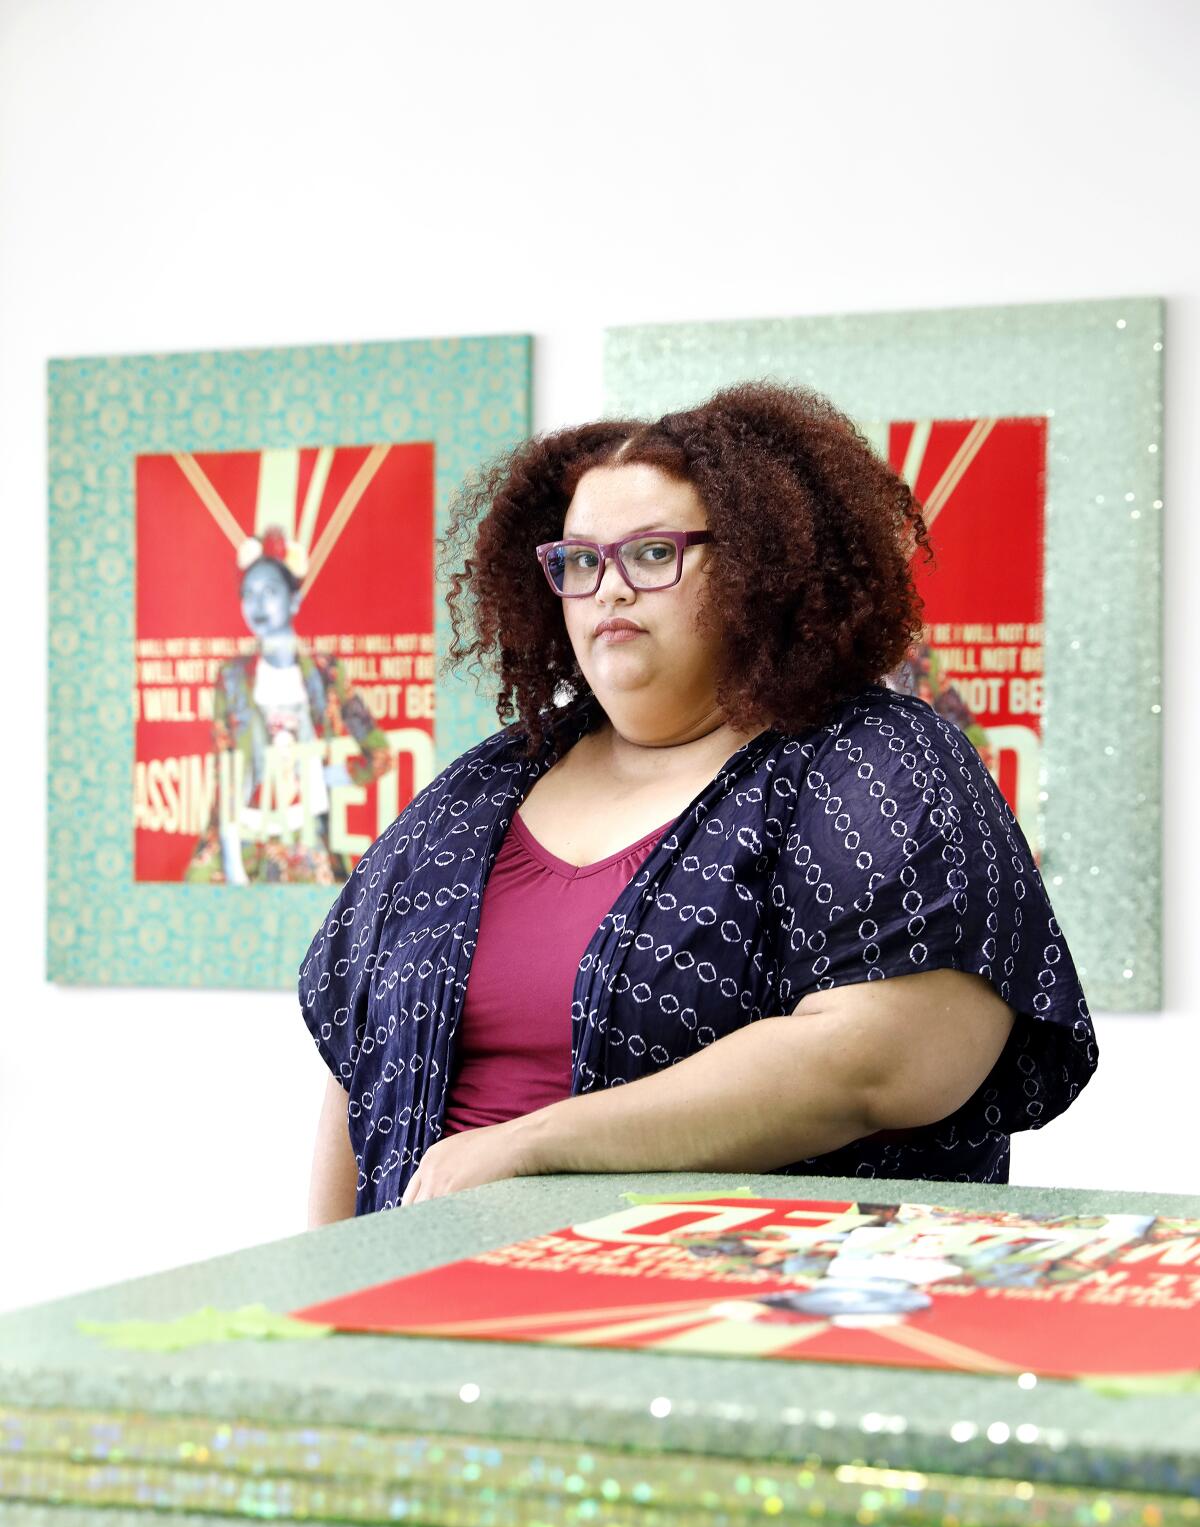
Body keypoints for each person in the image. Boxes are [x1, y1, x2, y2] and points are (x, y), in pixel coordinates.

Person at [300, 383, 1098, 1222]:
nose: (607, 588)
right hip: (419, 1310)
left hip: (736, 1321)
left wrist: (534, 1142)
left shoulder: (875, 759)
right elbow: (354, 1065)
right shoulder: (478, 790)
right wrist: (319, 1294)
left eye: (651, 553)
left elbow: (887, 1058)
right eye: (579, 561)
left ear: (763, 565)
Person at [186, 527, 391, 884]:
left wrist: (328, 776)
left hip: (307, 836)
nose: (258, 604)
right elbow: (226, 770)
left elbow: (380, 754)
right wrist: (232, 860)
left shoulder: (326, 673)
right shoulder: (232, 677)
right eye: (248, 594)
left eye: (269, 591)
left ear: (294, 599)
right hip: (248, 833)